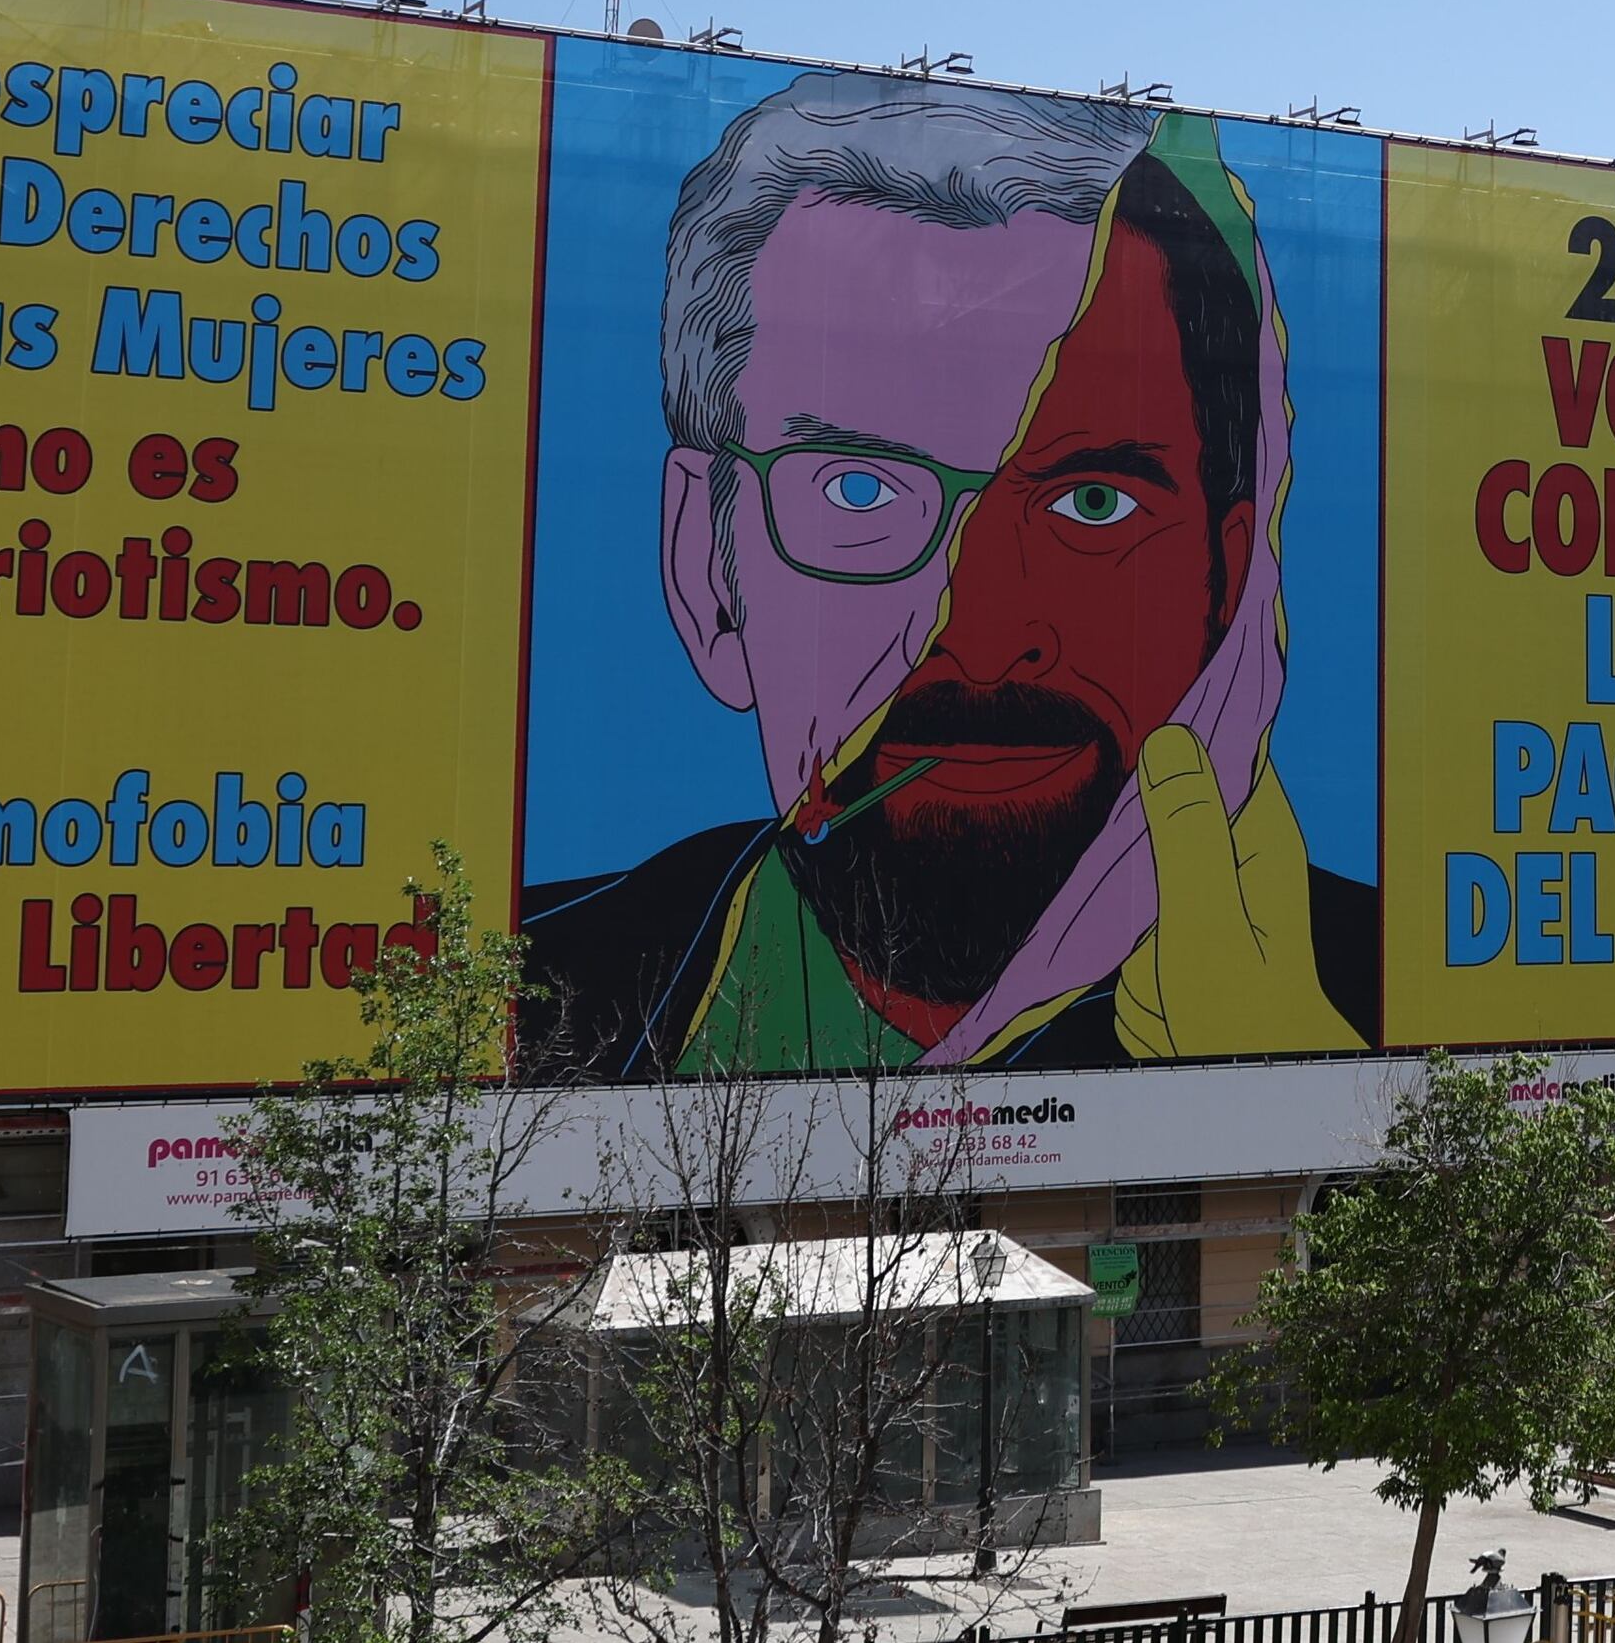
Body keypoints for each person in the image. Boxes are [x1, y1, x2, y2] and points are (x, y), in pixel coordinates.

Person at [528, 79, 1374, 1075]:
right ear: (705, 568)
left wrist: (1284, 1104)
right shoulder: (510, 994)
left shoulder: (1369, 1005)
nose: (979, 630)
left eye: (1090, 502)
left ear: (1229, 581)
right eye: (857, 490)